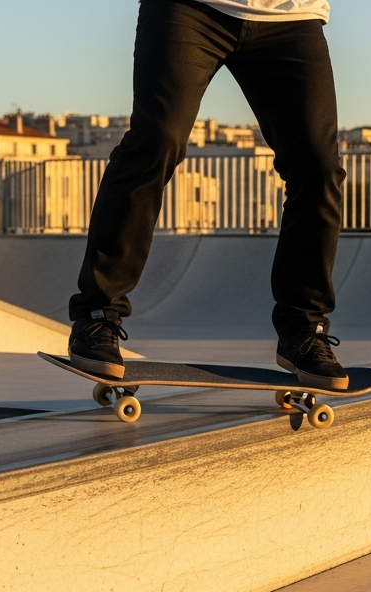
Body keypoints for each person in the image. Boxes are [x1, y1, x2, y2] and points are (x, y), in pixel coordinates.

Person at [66, 0, 349, 389]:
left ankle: (304, 328)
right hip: (187, 9)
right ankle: (97, 313)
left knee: (319, 167)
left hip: (291, 16)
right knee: (157, 142)